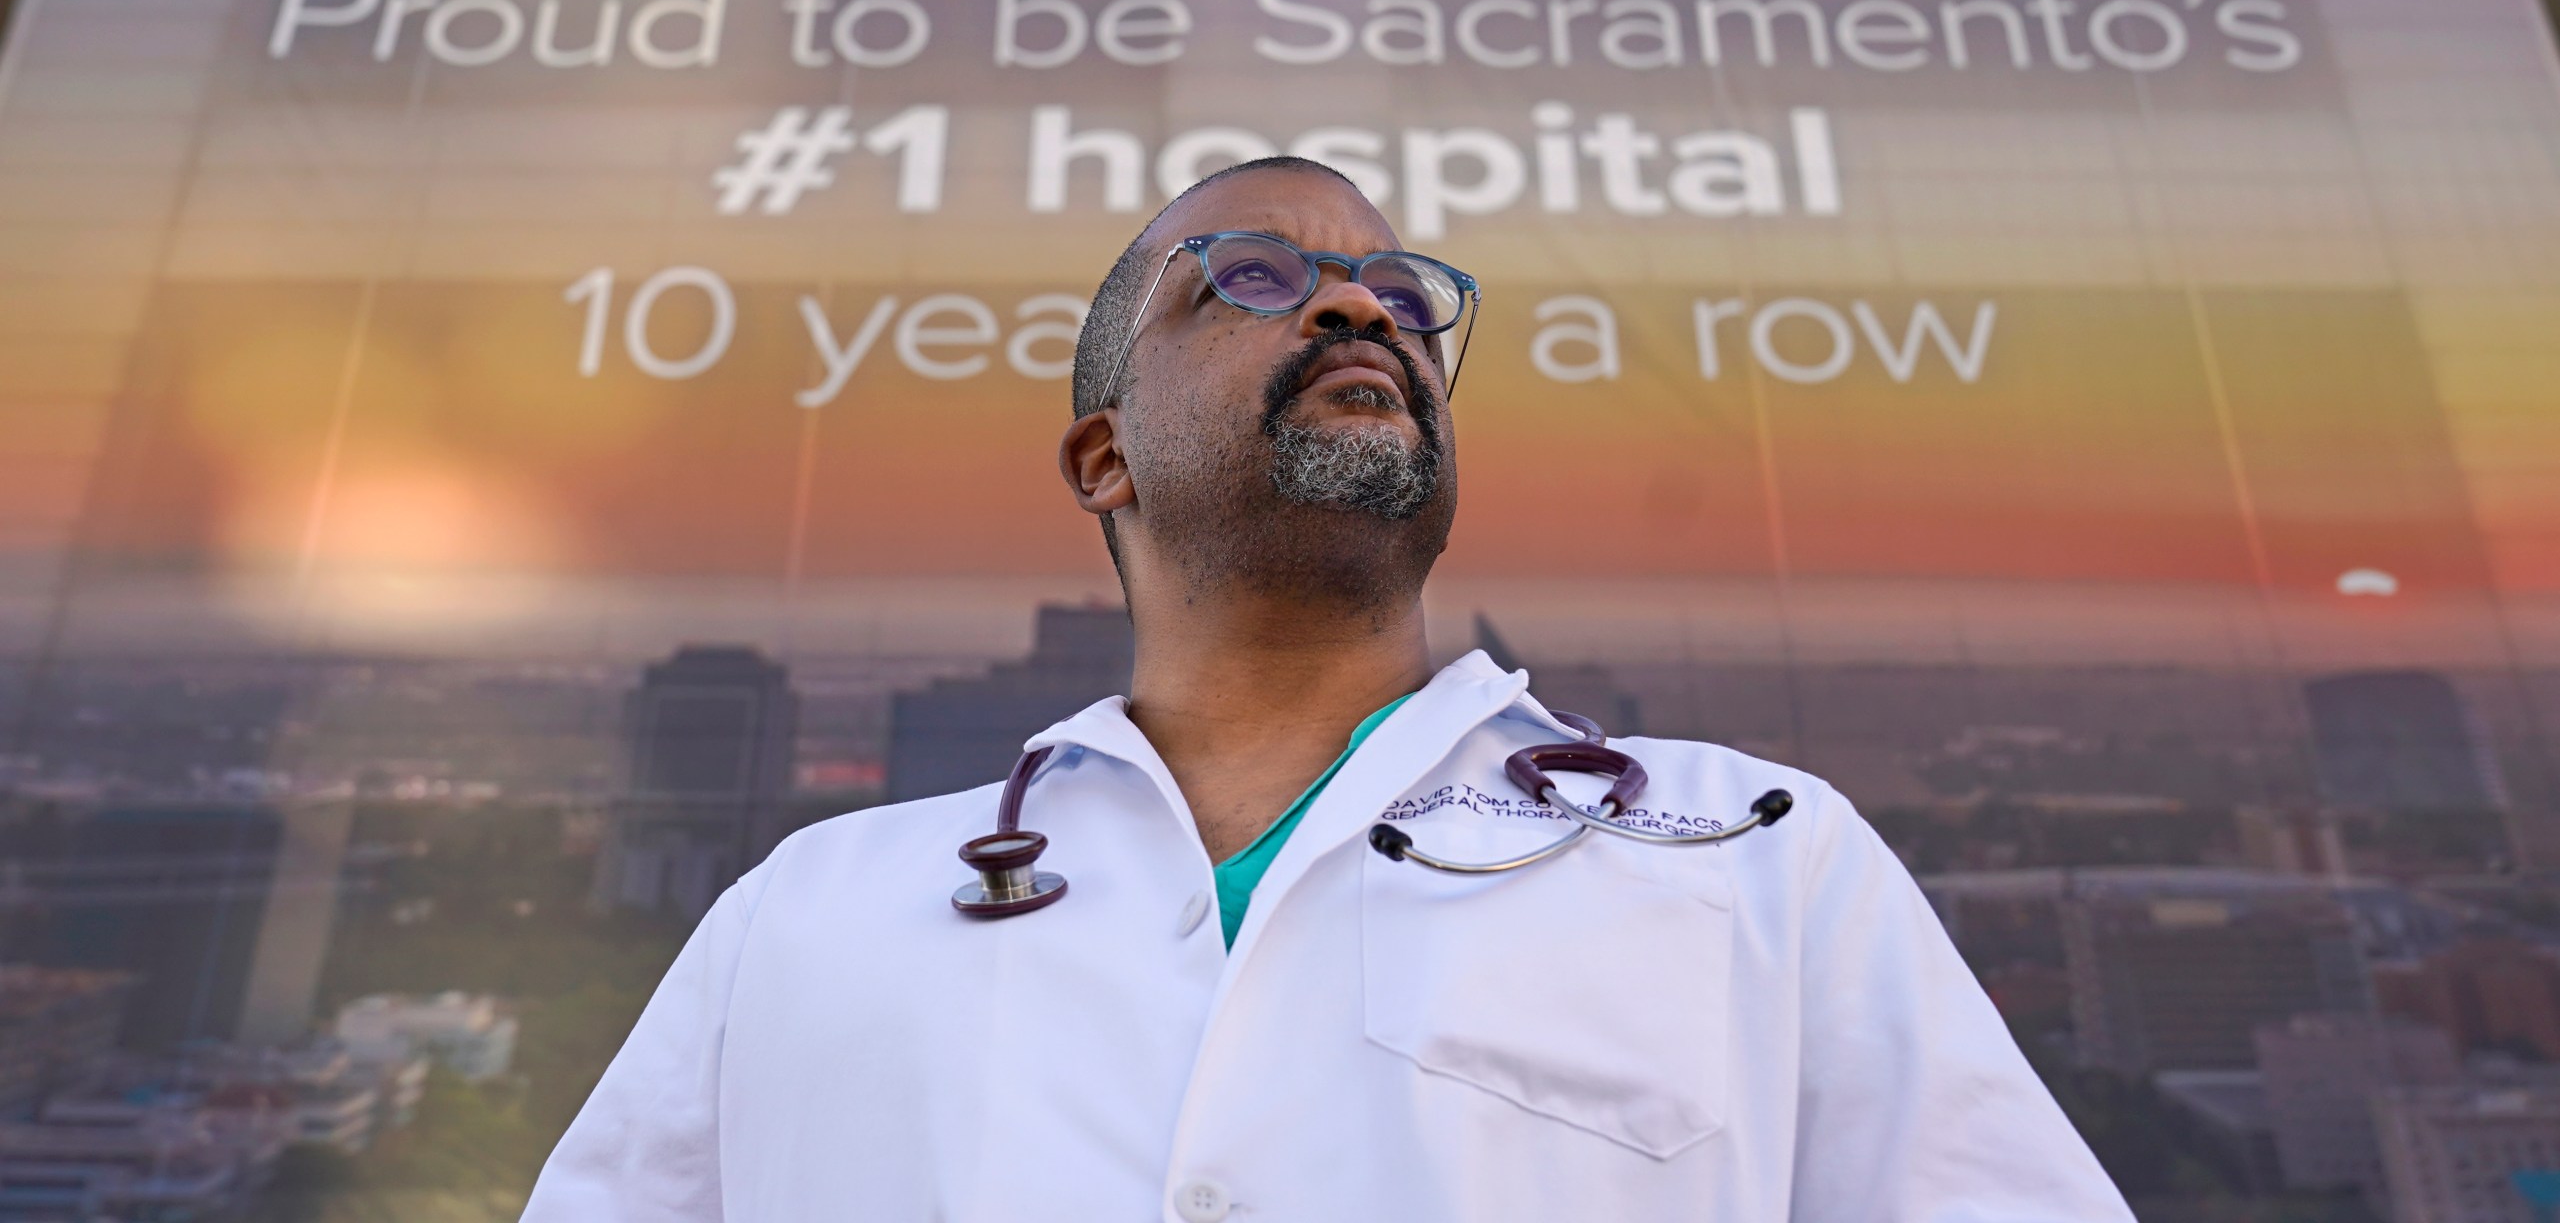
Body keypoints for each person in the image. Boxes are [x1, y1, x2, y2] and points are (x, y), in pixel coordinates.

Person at [523, 158, 2134, 1223]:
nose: (1362, 305)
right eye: (1249, 277)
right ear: (1105, 459)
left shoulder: (1764, 852)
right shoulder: (812, 907)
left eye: (1401, 296)